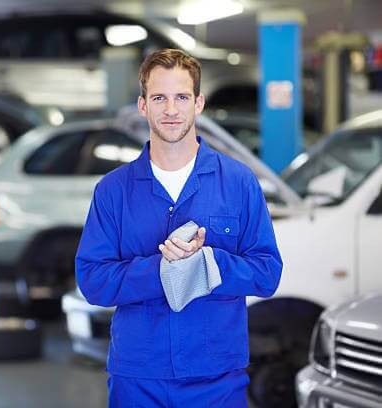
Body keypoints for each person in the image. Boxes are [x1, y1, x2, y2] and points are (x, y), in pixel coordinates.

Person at [75, 48, 282, 407]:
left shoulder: (238, 182)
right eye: (159, 98)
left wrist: (209, 264)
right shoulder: (113, 190)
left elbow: (267, 273)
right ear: (143, 105)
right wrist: (162, 270)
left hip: (217, 376)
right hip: (139, 376)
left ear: (198, 103)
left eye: (181, 97)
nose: (171, 110)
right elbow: (93, 280)